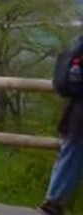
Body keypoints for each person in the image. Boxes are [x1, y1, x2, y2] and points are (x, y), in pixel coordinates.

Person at [45, 49, 83, 214]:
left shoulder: (77, 45)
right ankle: (54, 201)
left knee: (70, 156)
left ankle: (53, 201)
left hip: (76, 113)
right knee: (71, 156)